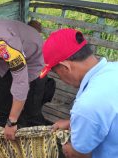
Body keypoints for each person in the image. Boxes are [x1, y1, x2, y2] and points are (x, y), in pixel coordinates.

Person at [41, 28, 118, 158]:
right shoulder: (114, 69)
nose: (61, 78)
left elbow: (80, 154)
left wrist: (69, 149)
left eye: (56, 73)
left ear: (65, 67)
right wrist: (72, 122)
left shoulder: (87, 104)